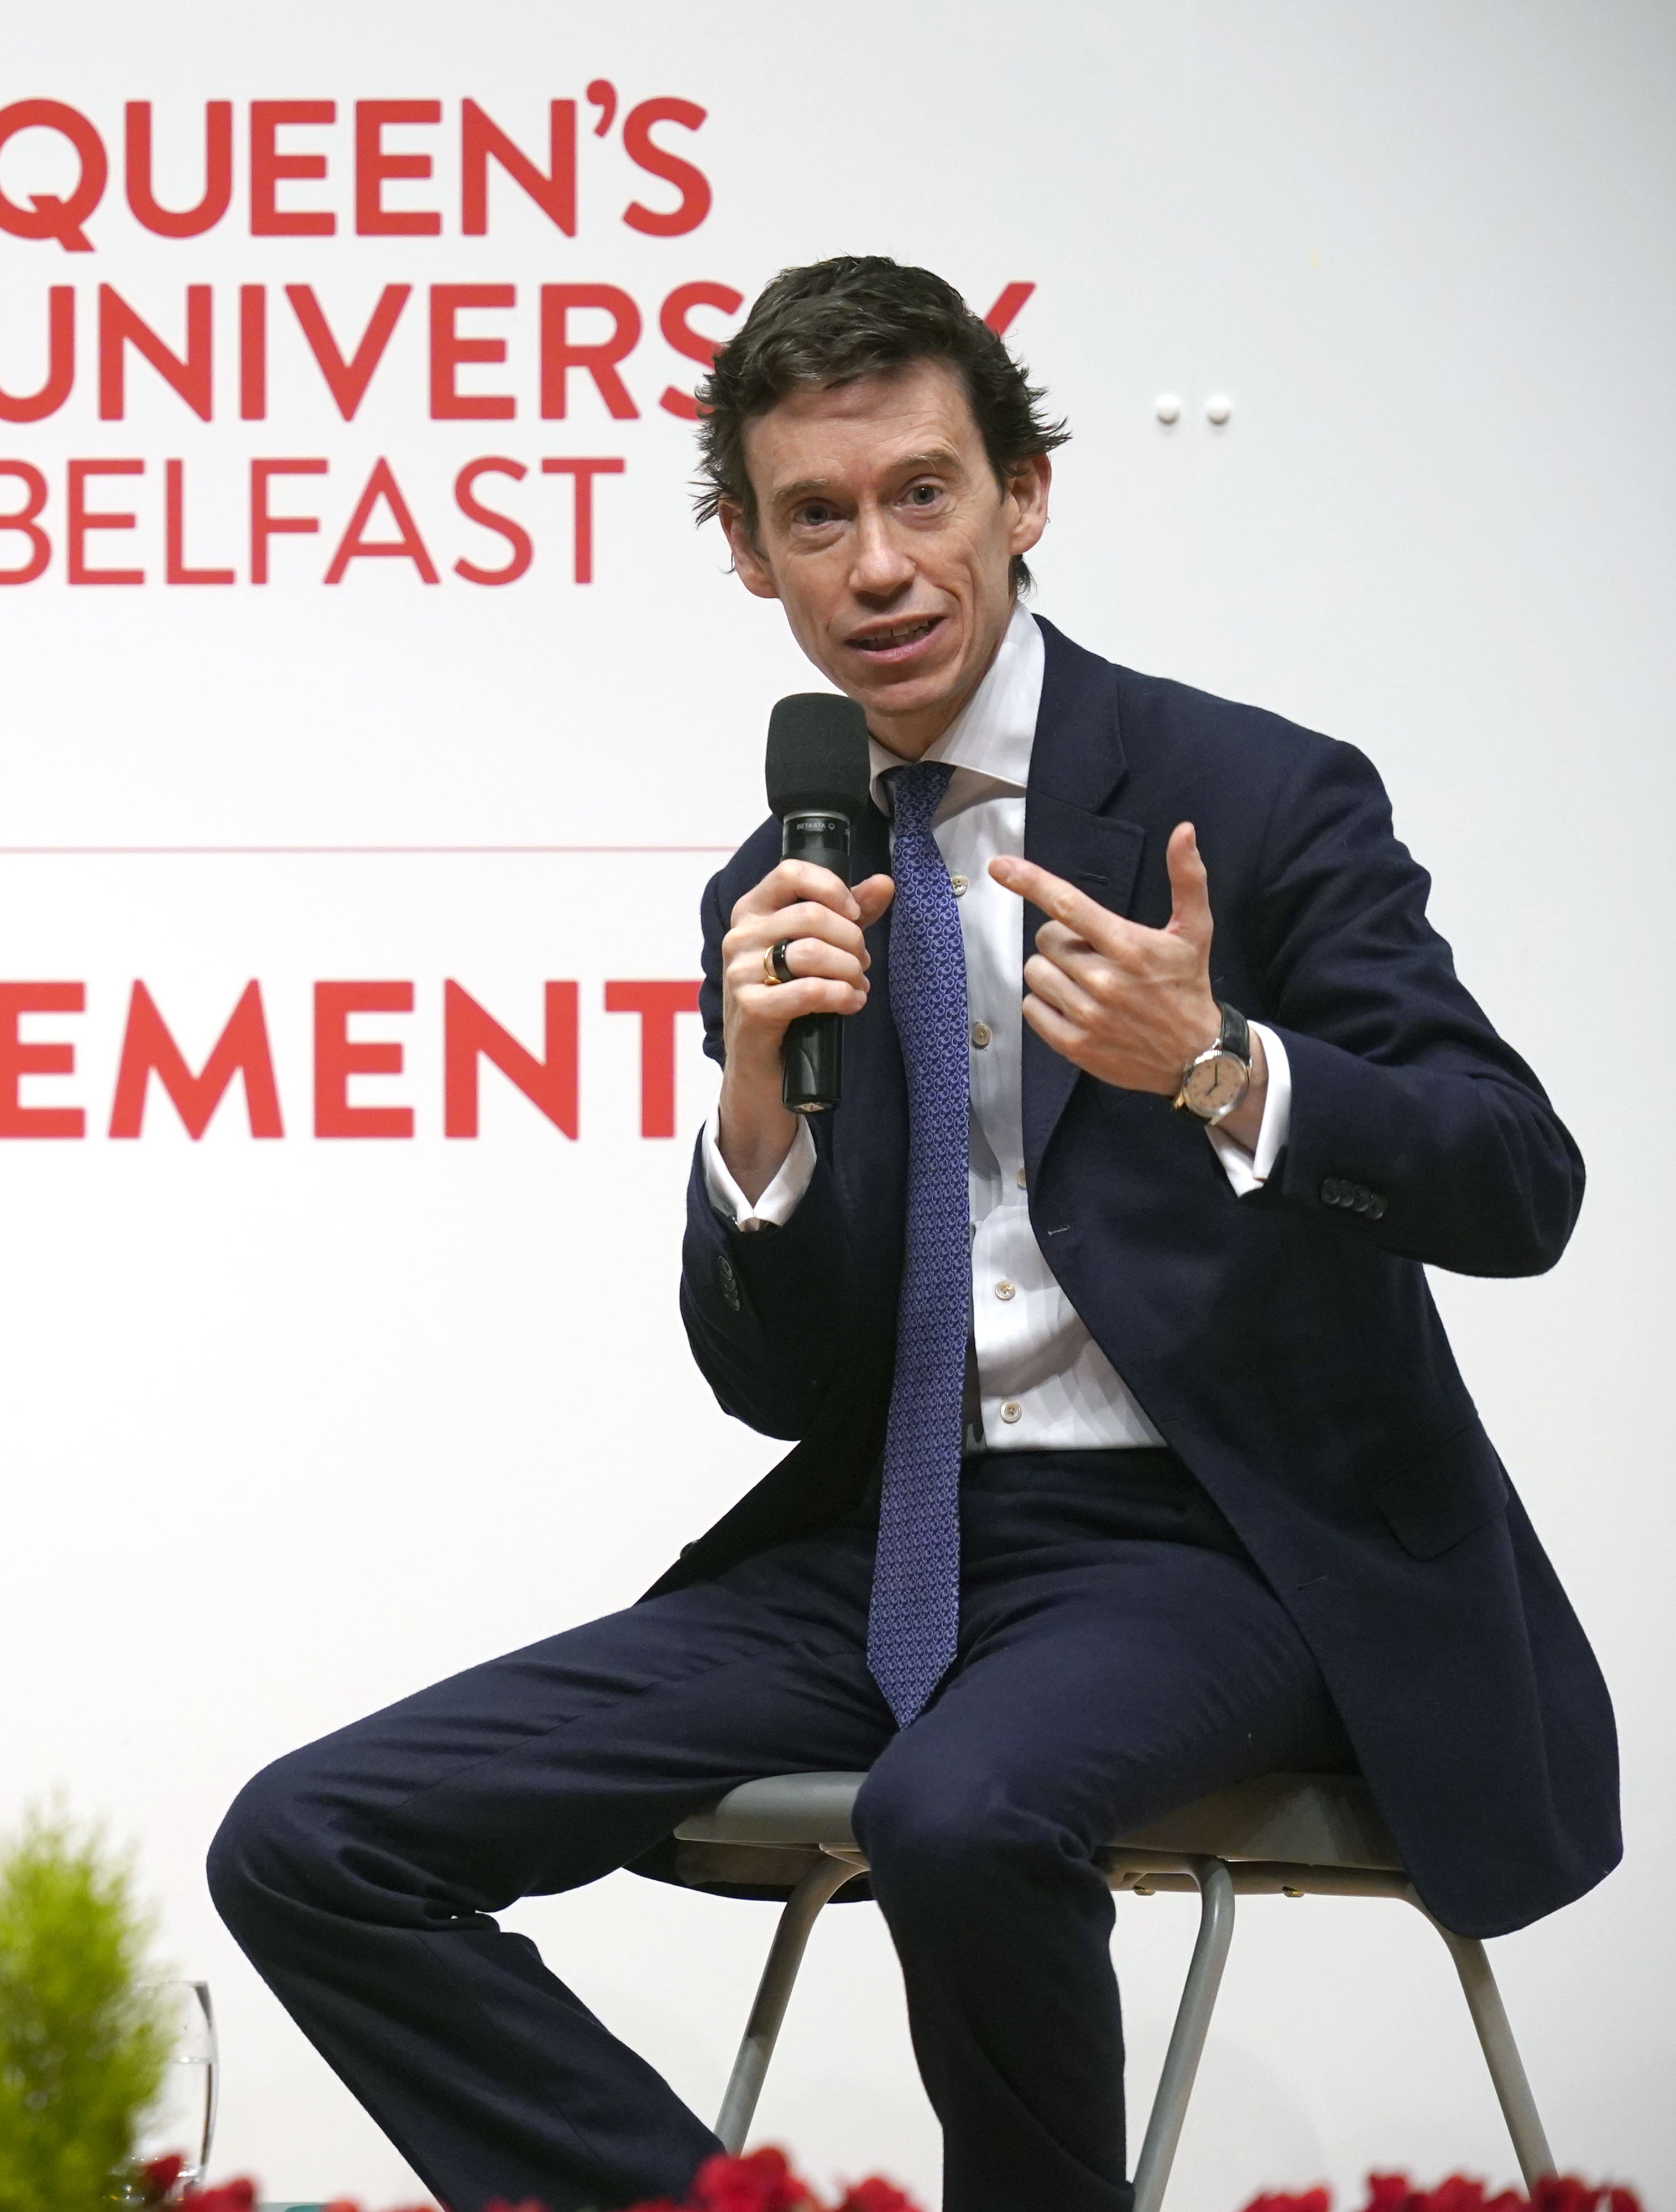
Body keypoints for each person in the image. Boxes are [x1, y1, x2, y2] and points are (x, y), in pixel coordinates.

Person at [207, 257, 1614, 2212]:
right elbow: (772, 1382)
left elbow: (1516, 1180)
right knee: (310, 1837)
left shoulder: (1255, 799)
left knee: (956, 1818)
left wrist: (1221, 1066)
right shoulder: (787, 875)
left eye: (923, 495)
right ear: (750, 558)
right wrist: (755, 1107)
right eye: (816, 517)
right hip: (902, 1549)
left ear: (1023, 496)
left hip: (1213, 1547)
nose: (876, 564)